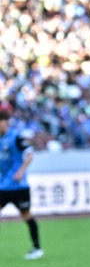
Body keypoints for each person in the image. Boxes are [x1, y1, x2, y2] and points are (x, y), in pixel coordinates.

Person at [0, 110, 43, 259]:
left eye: (1, 121)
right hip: (2, 186)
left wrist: (21, 171)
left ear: (6, 122)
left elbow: (29, 155)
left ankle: (37, 248)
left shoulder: (15, 138)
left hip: (19, 186)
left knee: (26, 215)